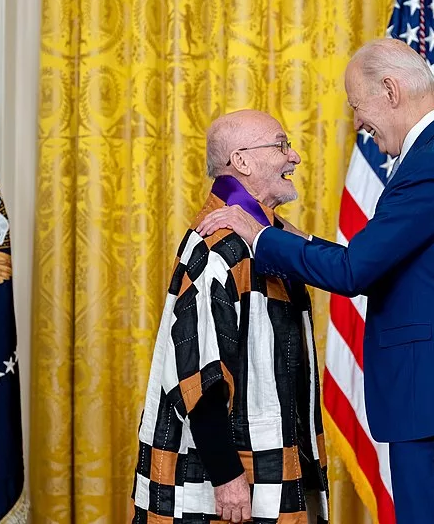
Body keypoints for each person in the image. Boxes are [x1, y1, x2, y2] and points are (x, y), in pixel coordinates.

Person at [197, 38, 434, 524]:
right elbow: (377, 259)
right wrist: (293, 237)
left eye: (357, 106)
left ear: (390, 90)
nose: (358, 122)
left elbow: (355, 270)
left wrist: (259, 236)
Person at [131, 110, 329, 524]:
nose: (293, 156)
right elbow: (197, 372)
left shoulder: (264, 238)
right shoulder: (220, 246)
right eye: (281, 144)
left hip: (269, 461)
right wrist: (226, 477)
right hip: (227, 478)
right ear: (241, 161)